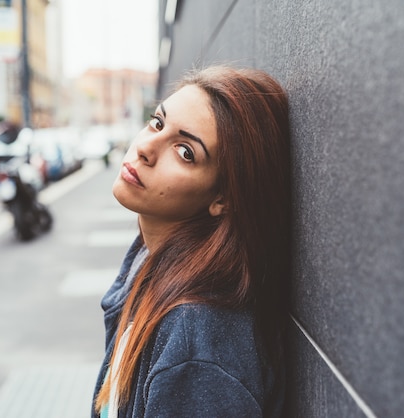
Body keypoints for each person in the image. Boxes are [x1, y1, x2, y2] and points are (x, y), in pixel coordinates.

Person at [92, 65, 291, 417]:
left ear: (224, 198)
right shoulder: (148, 261)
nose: (145, 148)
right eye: (157, 123)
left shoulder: (196, 340)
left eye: (185, 151)